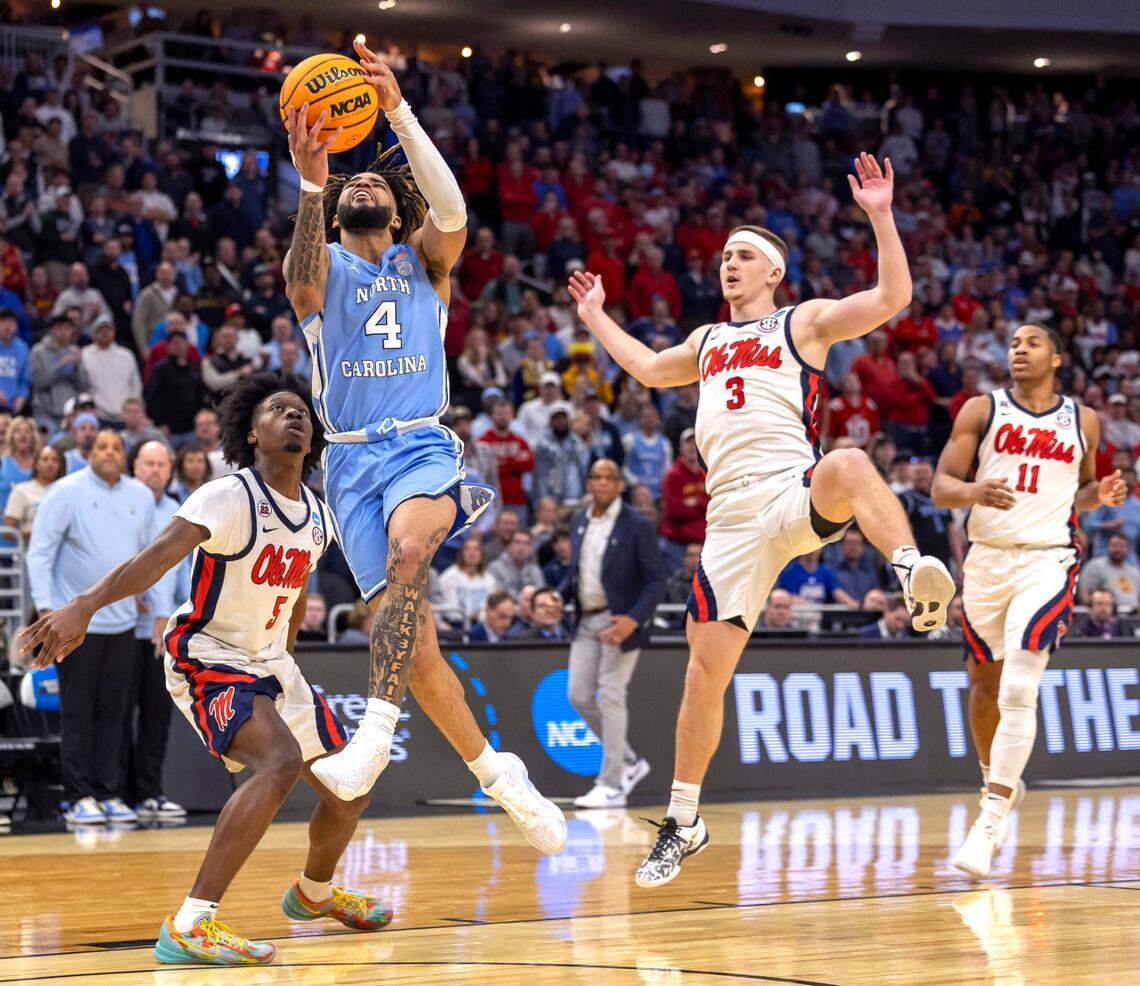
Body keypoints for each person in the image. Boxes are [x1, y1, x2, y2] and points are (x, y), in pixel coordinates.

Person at [569, 152, 954, 888]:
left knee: (848, 461)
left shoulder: (801, 322)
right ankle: (684, 821)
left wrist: (880, 216)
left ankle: (912, 573)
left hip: (788, 489)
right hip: (730, 519)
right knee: (703, 675)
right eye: (724, 257)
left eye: (743, 256)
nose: (729, 265)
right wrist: (595, 317)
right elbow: (647, 368)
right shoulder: (707, 342)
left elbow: (893, 296)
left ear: (774, 270)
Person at [282, 44, 565, 853]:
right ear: (338, 214)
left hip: (419, 449)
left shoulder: (426, 264)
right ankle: (499, 775)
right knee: (416, 652)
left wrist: (398, 111)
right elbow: (299, 277)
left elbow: (454, 211)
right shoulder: (324, 268)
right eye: (352, 187)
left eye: (377, 185)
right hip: (349, 464)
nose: (364, 185)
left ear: (399, 211)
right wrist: (312, 183)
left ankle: (373, 738)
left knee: (411, 552)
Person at [23, 375, 391, 964]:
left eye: (302, 411)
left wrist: (286, 659)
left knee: (351, 787)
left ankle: (313, 893)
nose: (295, 416)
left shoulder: (318, 516)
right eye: (279, 409)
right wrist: (84, 606)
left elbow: (295, 593)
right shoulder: (228, 496)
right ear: (252, 432)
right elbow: (154, 560)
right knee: (279, 761)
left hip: (270, 662)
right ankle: (191, 923)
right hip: (207, 652)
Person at [932, 322, 1127, 880]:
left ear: (1058, 358)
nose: (1019, 349)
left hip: (1047, 560)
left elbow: (1080, 493)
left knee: (1020, 684)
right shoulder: (982, 409)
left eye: (1032, 342)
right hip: (987, 560)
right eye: (1014, 343)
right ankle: (995, 779)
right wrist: (973, 491)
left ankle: (989, 822)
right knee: (984, 688)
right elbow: (942, 486)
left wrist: (1099, 494)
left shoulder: (1083, 420)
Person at [26, 429, 156, 825]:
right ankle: (78, 796)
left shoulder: (141, 496)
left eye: (117, 447)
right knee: (78, 712)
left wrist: (156, 605)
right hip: (74, 623)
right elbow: (40, 551)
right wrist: (46, 608)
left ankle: (108, 792)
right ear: (88, 453)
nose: (110, 453)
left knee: (116, 713)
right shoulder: (65, 492)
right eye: (102, 447)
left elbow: (151, 556)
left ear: (125, 455)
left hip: (124, 623)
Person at [561, 457, 665, 808]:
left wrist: (633, 620)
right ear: (589, 483)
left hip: (620, 621)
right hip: (586, 619)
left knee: (610, 694)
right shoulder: (579, 519)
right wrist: (554, 596)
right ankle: (630, 762)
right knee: (578, 695)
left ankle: (612, 783)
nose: (601, 482)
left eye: (609, 477)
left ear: (620, 485)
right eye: (595, 476)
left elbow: (656, 580)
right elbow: (576, 574)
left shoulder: (637, 525)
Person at [125, 439, 188, 819]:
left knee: (156, 715)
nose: (154, 470)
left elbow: (180, 573)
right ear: (135, 466)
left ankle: (149, 792)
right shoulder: (123, 503)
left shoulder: (177, 512)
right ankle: (115, 793)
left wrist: (178, 614)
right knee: (117, 715)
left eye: (161, 464)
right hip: (119, 628)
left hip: (161, 632)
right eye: (148, 463)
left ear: (169, 470)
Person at [4, 444, 65, 540]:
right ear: (36, 464)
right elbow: (8, 532)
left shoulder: (66, 491)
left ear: (60, 465)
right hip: (29, 547)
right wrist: (34, 533)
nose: (50, 464)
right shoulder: (21, 490)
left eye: (55, 460)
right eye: (45, 459)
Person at [436, 535, 495, 626]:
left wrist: (479, 617)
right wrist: (472, 616)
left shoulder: (489, 579)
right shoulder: (449, 577)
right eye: (467, 549)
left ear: (482, 554)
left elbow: (490, 609)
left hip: (482, 625)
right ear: (461, 553)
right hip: (455, 626)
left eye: (476, 549)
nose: (472, 553)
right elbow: (451, 612)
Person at [1079, 532, 1139, 610]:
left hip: (1133, 614)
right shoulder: (1095, 566)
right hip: (1107, 614)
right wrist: (1092, 610)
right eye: (1115, 545)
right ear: (1108, 546)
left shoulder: (1135, 572)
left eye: (1122, 546)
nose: (1118, 549)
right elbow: (1084, 592)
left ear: (1128, 549)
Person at [488, 529, 545, 597]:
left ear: (531, 548)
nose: (522, 548)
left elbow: (541, 594)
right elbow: (499, 596)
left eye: (526, 543)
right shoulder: (495, 568)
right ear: (509, 546)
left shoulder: (535, 569)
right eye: (517, 542)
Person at [0, 415, 38, 511]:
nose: (23, 435)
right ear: (11, 436)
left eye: (27, 431)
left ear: (33, 436)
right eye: (18, 431)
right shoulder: (2, 463)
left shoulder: (39, 465)